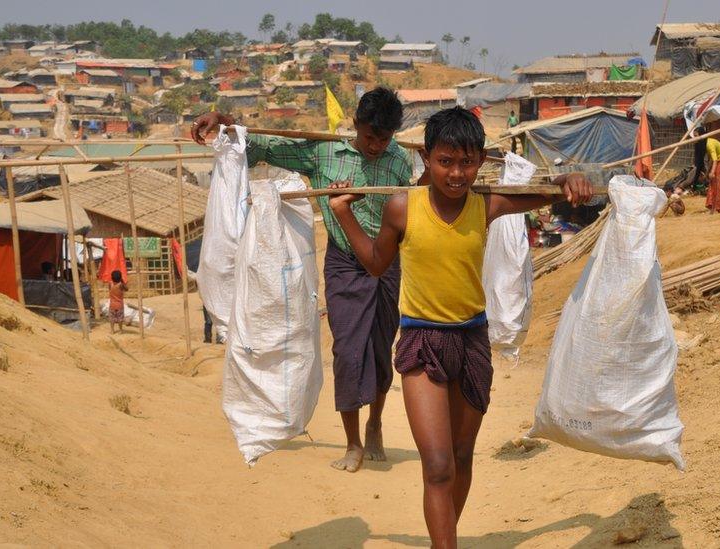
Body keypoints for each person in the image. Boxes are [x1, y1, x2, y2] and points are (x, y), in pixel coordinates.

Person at [328, 107, 593, 548]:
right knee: (437, 466)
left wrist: (570, 181)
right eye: (445, 161)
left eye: (467, 162)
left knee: (462, 456)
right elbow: (376, 265)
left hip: (471, 342)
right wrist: (342, 213)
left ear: (481, 162)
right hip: (420, 342)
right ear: (426, 158)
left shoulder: (487, 204)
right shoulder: (401, 208)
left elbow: (548, 195)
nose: (456, 173)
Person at [191, 87, 412, 473]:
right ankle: (353, 442)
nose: (376, 145)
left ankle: (375, 423)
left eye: (384, 138)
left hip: (387, 263)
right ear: (357, 126)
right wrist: (227, 124)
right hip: (345, 265)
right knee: (346, 352)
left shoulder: (399, 161)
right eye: (370, 136)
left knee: (380, 350)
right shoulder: (325, 152)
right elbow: (266, 147)